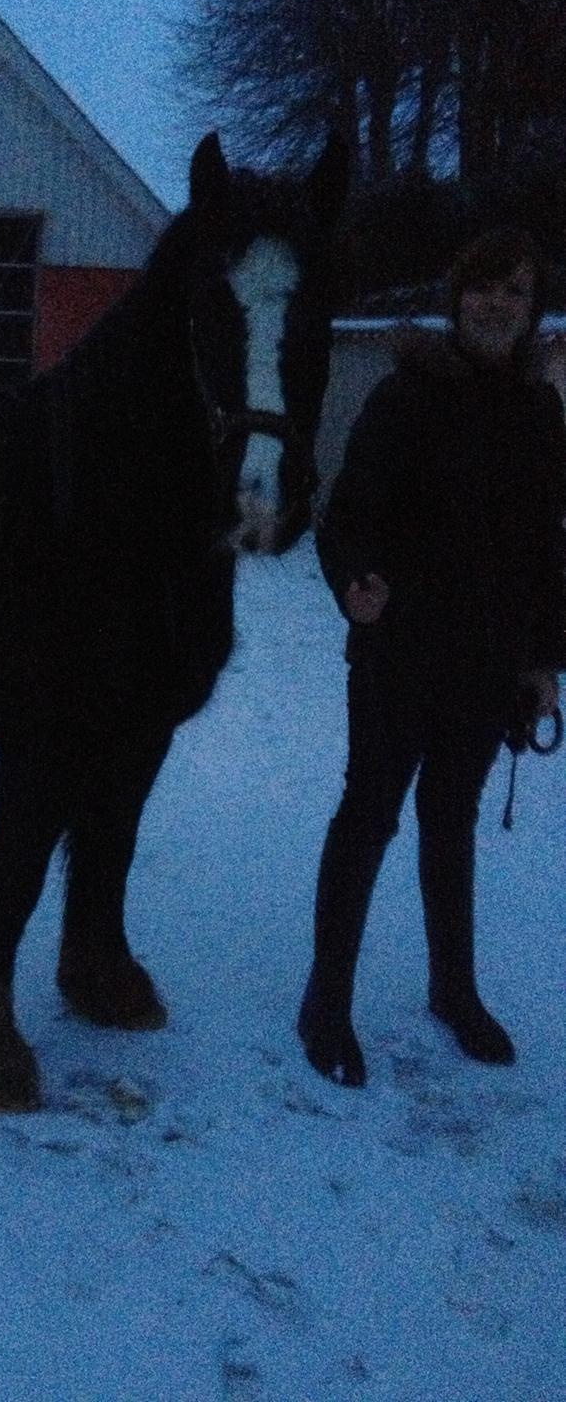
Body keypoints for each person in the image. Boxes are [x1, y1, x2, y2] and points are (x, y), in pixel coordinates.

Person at [298, 227, 566, 1087]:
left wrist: (543, 660)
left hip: (489, 666)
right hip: (400, 655)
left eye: (515, 291)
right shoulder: (405, 396)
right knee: (368, 815)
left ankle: (454, 990)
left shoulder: (540, 412)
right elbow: (347, 517)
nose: (497, 304)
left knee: (451, 821)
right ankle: (326, 1000)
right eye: (484, 287)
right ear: (458, 298)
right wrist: (354, 583)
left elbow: (547, 548)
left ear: (532, 310)